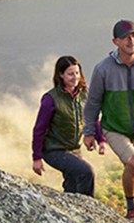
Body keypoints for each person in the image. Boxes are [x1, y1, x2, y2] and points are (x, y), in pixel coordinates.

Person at [83, 19, 134, 220]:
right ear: (116, 42)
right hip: (113, 127)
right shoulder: (103, 69)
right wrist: (88, 132)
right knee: (132, 161)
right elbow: (93, 102)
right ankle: (130, 209)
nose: (131, 40)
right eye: (125, 37)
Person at [32, 55, 100, 196]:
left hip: (74, 149)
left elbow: (93, 118)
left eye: (77, 73)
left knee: (73, 183)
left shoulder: (84, 94)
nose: (75, 77)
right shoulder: (50, 99)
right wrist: (36, 158)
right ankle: (89, 212)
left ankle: (72, 215)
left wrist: (100, 139)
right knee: (87, 172)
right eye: (70, 74)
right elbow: (39, 129)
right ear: (61, 75)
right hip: (54, 150)